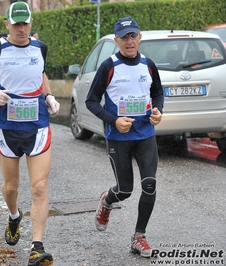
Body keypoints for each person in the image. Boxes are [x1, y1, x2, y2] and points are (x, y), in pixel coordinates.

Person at [0, 1, 60, 265]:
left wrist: (49, 95)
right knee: (12, 187)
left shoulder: (40, 48)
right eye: (16, 23)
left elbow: (40, 73)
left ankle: (37, 246)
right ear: (6, 24)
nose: (21, 28)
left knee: (40, 186)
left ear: (31, 23)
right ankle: (14, 216)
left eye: (25, 23)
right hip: (7, 129)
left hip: (37, 127)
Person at [85, 17, 164, 257]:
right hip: (118, 137)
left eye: (133, 36)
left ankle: (139, 237)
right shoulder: (109, 66)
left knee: (149, 185)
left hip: (145, 134)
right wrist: (114, 121)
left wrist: (158, 111)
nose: (129, 41)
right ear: (116, 40)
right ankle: (107, 202)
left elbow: (157, 92)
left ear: (140, 38)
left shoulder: (148, 65)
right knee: (125, 190)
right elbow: (90, 101)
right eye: (124, 37)